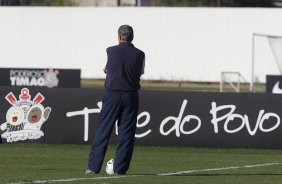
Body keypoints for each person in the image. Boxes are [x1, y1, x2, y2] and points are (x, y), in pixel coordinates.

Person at [86, 25, 145, 175]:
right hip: (131, 95)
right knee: (127, 133)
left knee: (103, 130)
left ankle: (93, 167)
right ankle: (120, 169)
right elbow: (139, 72)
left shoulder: (110, 50)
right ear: (132, 37)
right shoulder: (140, 54)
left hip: (112, 94)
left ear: (119, 36)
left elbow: (109, 68)